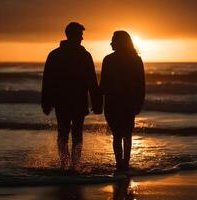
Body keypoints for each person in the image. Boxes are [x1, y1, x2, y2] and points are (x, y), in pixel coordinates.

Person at [41, 22, 102, 171]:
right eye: (80, 35)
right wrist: (97, 102)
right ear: (73, 35)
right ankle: (73, 165)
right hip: (75, 101)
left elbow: (47, 81)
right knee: (75, 133)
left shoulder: (55, 54)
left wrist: (46, 102)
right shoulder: (84, 55)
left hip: (64, 101)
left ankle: (66, 164)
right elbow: (92, 82)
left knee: (63, 132)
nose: (82, 38)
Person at [100, 31, 145, 172]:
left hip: (115, 102)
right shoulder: (135, 60)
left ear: (120, 42)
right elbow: (141, 85)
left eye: (113, 40)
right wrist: (139, 103)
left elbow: (103, 85)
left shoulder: (109, 60)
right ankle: (124, 164)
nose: (111, 43)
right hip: (126, 102)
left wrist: (96, 100)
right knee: (126, 134)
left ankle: (120, 163)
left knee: (118, 135)